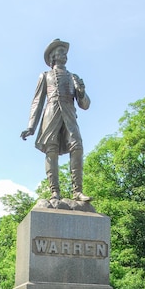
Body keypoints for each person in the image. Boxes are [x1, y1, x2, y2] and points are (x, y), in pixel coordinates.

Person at [21, 39, 92, 202]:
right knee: (51, 150)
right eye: (60, 52)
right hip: (51, 113)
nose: (64, 54)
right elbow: (37, 102)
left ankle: (77, 192)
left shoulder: (73, 77)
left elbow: (85, 105)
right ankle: (55, 192)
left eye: (65, 52)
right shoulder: (45, 76)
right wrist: (31, 126)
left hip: (69, 113)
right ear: (52, 56)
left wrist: (81, 92)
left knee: (77, 147)